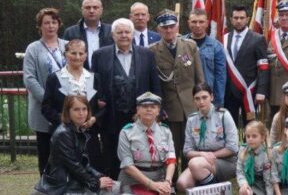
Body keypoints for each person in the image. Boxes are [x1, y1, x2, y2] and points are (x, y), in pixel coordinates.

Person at [91, 18, 161, 178]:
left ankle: (140, 186)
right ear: (112, 35)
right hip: (111, 115)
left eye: (127, 32)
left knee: (139, 151)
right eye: (119, 32)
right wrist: (98, 106)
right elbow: (94, 84)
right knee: (112, 153)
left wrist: (158, 109)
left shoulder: (147, 55)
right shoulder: (99, 55)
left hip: (139, 114)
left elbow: (154, 84)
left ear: (132, 34)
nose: (124, 35)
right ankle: (115, 188)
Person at [39, 95, 114, 195]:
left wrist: (102, 177)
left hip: (79, 181)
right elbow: (74, 167)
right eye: (76, 109)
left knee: (114, 192)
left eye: (84, 109)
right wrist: (96, 183)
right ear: (67, 112)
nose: (81, 113)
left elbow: (84, 163)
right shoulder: (63, 133)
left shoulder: (79, 129)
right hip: (66, 188)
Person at [150, 9, 204, 161]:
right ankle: (172, 182)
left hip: (190, 106)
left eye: (172, 26)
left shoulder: (190, 46)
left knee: (192, 147)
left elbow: (199, 77)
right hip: (169, 108)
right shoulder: (152, 51)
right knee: (170, 149)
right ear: (158, 29)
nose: (169, 30)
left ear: (177, 27)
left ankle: (191, 181)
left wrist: (201, 101)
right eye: (164, 27)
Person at [117, 92, 176, 195]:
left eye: (153, 106)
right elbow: (127, 166)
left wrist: (167, 182)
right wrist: (151, 185)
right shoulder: (127, 132)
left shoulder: (165, 131)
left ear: (158, 111)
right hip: (133, 181)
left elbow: (171, 160)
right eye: (144, 106)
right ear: (138, 110)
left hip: (158, 180)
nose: (149, 109)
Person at [41, 39, 102, 169]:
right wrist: (66, 121)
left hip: (89, 135)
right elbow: (46, 108)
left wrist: (93, 119)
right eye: (73, 53)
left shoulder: (95, 78)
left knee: (92, 170)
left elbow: (103, 106)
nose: (77, 57)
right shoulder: (54, 78)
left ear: (86, 55)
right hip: (63, 136)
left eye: (81, 53)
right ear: (65, 54)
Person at [23, 7, 68, 175]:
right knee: (45, 151)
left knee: (67, 151)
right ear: (39, 26)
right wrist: (48, 100)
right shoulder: (33, 49)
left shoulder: (67, 45)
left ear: (59, 24)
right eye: (46, 23)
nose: (51, 26)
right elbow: (29, 78)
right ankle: (46, 190)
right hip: (44, 109)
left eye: (54, 22)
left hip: (68, 107)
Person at [176, 83, 239, 193]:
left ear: (212, 97)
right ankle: (207, 182)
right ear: (194, 101)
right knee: (182, 184)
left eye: (205, 97)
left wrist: (212, 155)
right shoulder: (192, 120)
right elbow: (187, 150)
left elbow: (232, 148)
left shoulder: (223, 115)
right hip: (200, 160)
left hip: (226, 161)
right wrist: (202, 154)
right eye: (197, 98)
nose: (201, 102)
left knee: (195, 164)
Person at [223, 5, 269, 126]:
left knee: (251, 125)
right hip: (229, 93)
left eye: (242, 18)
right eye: (236, 18)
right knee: (229, 126)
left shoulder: (258, 39)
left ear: (247, 19)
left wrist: (261, 91)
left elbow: (263, 68)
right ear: (231, 19)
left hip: (249, 92)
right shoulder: (224, 39)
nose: (238, 21)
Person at [184, 8, 227, 109]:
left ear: (207, 23)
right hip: (186, 97)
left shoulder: (216, 47)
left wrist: (218, 102)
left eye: (201, 22)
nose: (198, 25)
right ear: (188, 23)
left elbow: (220, 77)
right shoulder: (181, 44)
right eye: (194, 22)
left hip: (207, 98)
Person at [268, 0, 288, 119]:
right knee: (275, 129)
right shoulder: (270, 37)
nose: (284, 18)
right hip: (273, 93)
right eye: (281, 15)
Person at [63, 0, 113, 69]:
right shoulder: (70, 32)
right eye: (88, 7)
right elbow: (65, 58)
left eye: (95, 7)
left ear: (101, 10)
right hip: (79, 77)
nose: (91, 11)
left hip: (105, 77)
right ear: (82, 10)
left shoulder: (111, 31)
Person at [236, 121, 274, 195]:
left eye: (254, 136)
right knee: (245, 194)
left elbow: (268, 181)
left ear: (262, 138)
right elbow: (239, 171)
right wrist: (243, 183)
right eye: (248, 136)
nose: (250, 139)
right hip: (248, 184)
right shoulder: (242, 150)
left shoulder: (266, 154)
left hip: (260, 187)